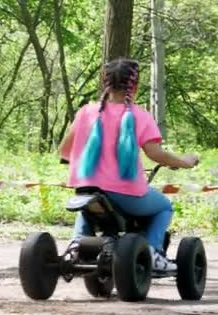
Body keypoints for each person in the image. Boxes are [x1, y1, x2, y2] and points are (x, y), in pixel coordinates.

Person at [58, 58, 198, 272]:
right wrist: (184, 162)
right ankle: (153, 251)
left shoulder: (86, 112)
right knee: (163, 207)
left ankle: (77, 244)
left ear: (104, 83)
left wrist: (71, 159)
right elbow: (155, 154)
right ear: (135, 85)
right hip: (126, 194)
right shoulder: (140, 116)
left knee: (87, 209)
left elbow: (64, 151)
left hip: (86, 189)